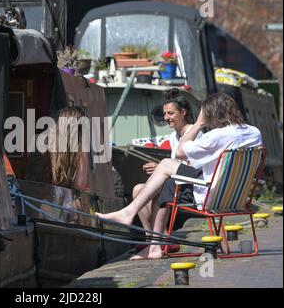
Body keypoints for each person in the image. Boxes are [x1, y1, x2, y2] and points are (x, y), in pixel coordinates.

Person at [96, 92, 263, 260]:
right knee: (165, 173)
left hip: (211, 195)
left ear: (213, 113)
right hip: (235, 196)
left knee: (165, 173)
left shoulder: (216, 135)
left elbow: (181, 152)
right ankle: (146, 234)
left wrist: (198, 123)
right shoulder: (255, 132)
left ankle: (141, 229)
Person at [133, 89, 202, 255]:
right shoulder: (174, 136)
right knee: (137, 189)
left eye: (170, 113)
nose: (166, 118)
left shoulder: (194, 133)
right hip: (176, 183)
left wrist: (160, 169)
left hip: (191, 186)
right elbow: (178, 164)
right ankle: (152, 240)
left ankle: (161, 241)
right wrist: (159, 168)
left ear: (183, 112)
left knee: (160, 189)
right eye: (164, 114)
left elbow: (195, 167)